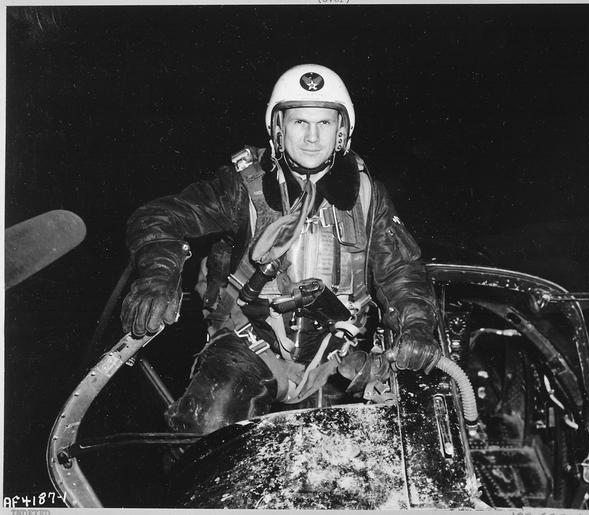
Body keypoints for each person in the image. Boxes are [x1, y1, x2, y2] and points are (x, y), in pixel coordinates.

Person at [121, 64, 441, 434]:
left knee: (381, 444)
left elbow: (400, 270)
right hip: (249, 346)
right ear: (278, 128)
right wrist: (159, 275)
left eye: (324, 123)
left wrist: (417, 325)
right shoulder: (242, 186)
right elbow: (160, 216)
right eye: (300, 122)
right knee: (208, 427)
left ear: (341, 131)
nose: (312, 137)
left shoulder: (367, 196)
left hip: (337, 358)